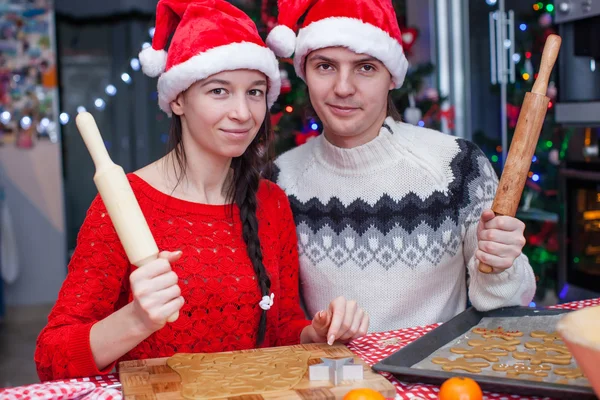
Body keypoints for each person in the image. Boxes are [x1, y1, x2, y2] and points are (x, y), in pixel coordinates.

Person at [35, 0, 369, 382]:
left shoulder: (270, 203)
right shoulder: (125, 203)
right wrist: (135, 319)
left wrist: (315, 332)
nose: (243, 113)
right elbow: (51, 356)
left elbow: (280, 328)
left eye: (255, 92)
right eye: (219, 92)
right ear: (177, 99)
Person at [266, 0, 536, 333]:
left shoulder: (457, 166)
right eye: (325, 66)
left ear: (391, 77)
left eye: (365, 67)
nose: (343, 88)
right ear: (304, 71)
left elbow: (508, 303)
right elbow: (278, 317)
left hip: (435, 378)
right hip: (333, 380)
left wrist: (501, 264)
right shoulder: (279, 180)